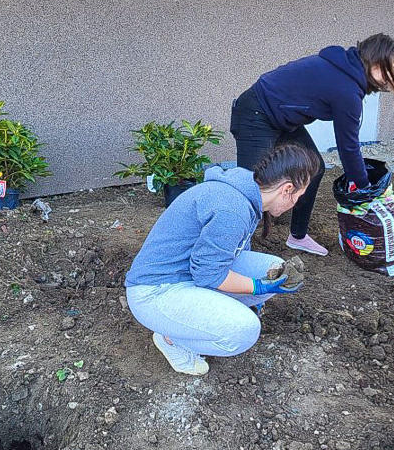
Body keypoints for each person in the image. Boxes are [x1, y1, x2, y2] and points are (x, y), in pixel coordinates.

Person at [124, 144, 320, 376]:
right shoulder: (232, 210)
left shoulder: (245, 194)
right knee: (244, 331)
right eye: (298, 196)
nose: (296, 203)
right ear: (287, 189)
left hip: (188, 274)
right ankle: (173, 339)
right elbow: (208, 274)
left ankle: (199, 319)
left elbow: (230, 253)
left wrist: (259, 286)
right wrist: (257, 287)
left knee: (274, 269)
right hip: (154, 292)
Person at [230, 33, 394, 256]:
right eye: (384, 69)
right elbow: (348, 147)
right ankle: (232, 250)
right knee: (250, 186)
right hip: (255, 113)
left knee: (313, 167)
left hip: (281, 119)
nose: (387, 77)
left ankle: (297, 236)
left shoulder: (347, 69)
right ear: (370, 59)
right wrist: (365, 189)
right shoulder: (347, 89)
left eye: (391, 71)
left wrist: (361, 183)